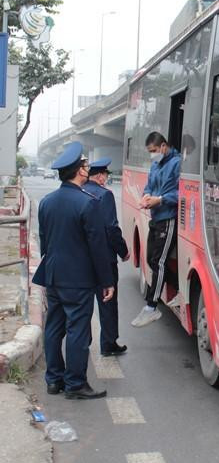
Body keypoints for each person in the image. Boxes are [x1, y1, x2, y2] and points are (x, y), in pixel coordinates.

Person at [33, 142, 114, 400]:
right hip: (78, 280)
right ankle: (75, 383)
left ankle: (53, 380)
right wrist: (106, 281)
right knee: (78, 330)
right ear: (80, 172)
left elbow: (45, 242)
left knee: (54, 328)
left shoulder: (46, 202)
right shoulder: (87, 204)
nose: (87, 169)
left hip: (54, 275)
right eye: (85, 166)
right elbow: (98, 248)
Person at [131, 132, 181, 327]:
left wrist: (160, 200)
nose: (152, 155)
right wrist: (146, 196)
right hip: (155, 216)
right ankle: (176, 289)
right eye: (150, 152)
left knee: (158, 261)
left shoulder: (176, 163)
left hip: (168, 217)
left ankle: (151, 307)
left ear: (163, 146)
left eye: (153, 151)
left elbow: (182, 192)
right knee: (152, 259)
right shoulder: (155, 165)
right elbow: (149, 186)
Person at [85, 158, 129, 356]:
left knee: (84, 303)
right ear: (101, 175)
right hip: (104, 261)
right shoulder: (105, 195)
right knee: (108, 302)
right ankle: (108, 343)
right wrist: (123, 251)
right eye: (106, 175)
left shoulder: (80, 192)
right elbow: (111, 228)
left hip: (83, 260)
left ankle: (83, 341)